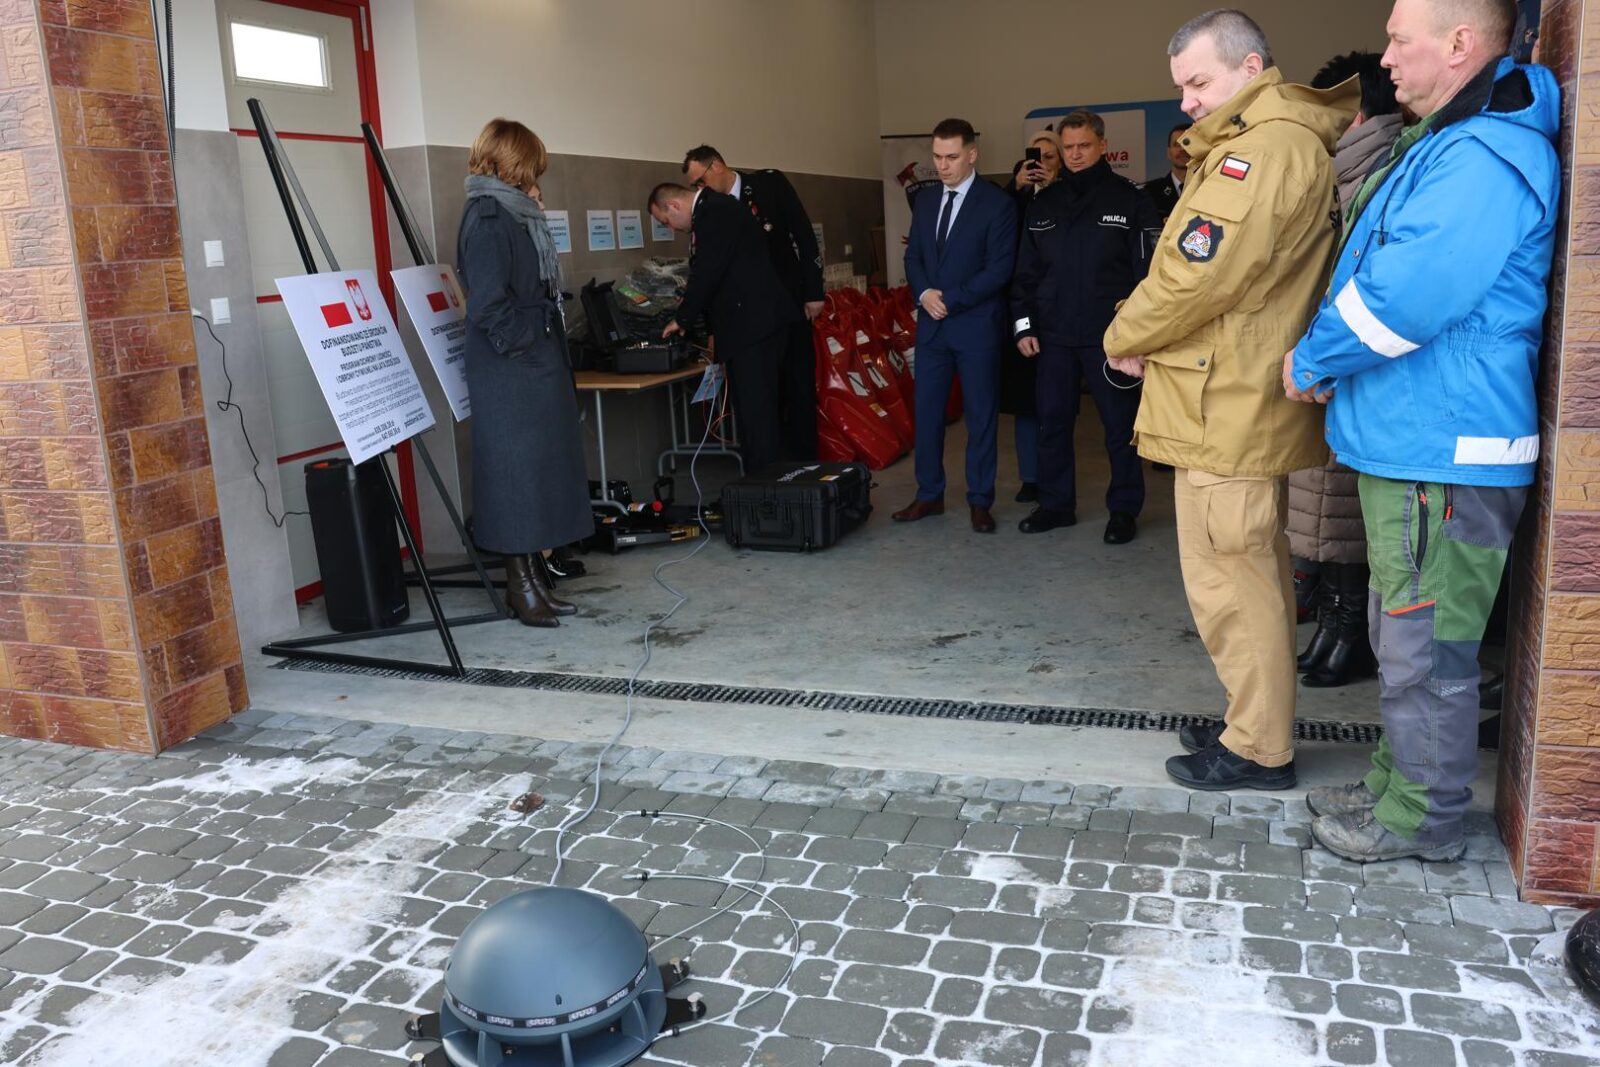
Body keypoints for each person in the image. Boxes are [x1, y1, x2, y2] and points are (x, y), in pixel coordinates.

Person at [1287, 0, 1557, 863]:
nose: (1388, 57)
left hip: (1443, 448)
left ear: (1461, 43)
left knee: (1425, 644)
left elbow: (1404, 293)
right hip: (1419, 440)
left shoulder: (1483, 154)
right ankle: (1393, 783)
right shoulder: (1448, 139)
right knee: (1404, 631)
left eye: (1402, 39)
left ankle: (1421, 819)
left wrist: (1316, 357)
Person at [1103, 10, 1358, 790]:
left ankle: (1258, 746)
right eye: (1180, 85)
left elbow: (1196, 273)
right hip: (1229, 397)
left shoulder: (1264, 149)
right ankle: (1252, 717)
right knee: (1245, 574)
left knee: (1232, 582)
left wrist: (1123, 333)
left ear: (1252, 70)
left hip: (1229, 404)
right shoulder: (1261, 143)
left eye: (1198, 82)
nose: (1185, 100)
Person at [1287, 50, 1405, 689]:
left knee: (1343, 509)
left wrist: (1318, 356)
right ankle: (1336, 626)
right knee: (1328, 507)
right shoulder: (1345, 172)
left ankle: (1349, 632)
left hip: (1349, 370)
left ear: (1352, 113)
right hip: (1327, 366)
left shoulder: (1381, 172)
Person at [458, 118, 594, 628]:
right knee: (514, 477)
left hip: (528, 362)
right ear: (512, 160)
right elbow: (488, 307)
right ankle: (520, 589)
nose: (537, 174)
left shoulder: (511, 212)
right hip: (511, 368)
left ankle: (535, 581)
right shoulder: (490, 218)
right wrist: (529, 343)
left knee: (534, 474)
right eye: (532, 164)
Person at [1010, 110, 1160, 543]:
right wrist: (1024, 327)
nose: (1075, 155)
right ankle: (1056, 505)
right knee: (1052, 423)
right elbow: (1026, 275)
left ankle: (1124, 510)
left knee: (1119, 428)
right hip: (1053, 337)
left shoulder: (1130, 200)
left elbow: (1148, 278)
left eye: (1084, 146)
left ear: (1101, 145)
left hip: (1110, 339)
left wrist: (1137, 337)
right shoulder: (1043, 204)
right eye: (1068, 148)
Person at [894, 118, 1018, 534]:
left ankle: (980, 500)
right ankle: (929, 495)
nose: (942, 166)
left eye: (951, 157)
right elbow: (914, 258)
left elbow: (999, 270)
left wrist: (950, 298)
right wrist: (924, 292)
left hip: (976, 326)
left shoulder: (997, 204)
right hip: (932, 328)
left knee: (981, 417)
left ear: (972, 154)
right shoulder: (926, 201)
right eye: (937, 157)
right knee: (926, 415)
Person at [681, 145, 824, 460]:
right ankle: (773, 469)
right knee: (760, 398)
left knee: (797, 386)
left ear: (716, 165)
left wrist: (814, 292)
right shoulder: (709, 211)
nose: (699, 190)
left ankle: (806, 464)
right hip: (747, 319)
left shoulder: (767, 186)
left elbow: (804, 235)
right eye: (694, 187)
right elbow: (709, 269)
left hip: (789, 303)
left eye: (700, 180)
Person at [649, 182, 799, 474]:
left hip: (754, 327)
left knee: (757, 413)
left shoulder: (713, 212)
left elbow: (709, 269)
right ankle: (763, 483)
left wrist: (683, 317)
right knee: (755, 411)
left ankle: (766, 487)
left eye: (666, 221)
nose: (672, 228)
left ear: (675, 206)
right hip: (757, 324)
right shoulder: (718, 208)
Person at [1002, 128, 1064, 505]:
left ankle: (1056, 477)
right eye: (1034, 158)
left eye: (1050, 157)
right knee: (1024, 401)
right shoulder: (1014, 199)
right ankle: (1030, 476)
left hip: (1060, 312)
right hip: (1021, 309)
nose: (1041, 164)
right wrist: (1017, 190)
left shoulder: (1070, 196)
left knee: (1056, 403)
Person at [1141, 123, 1193, 223]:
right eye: (1176, 145)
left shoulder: (1209, 188)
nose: (1182, 149)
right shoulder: (1149, 192)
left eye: (1187, 143)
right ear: (1168, 152)